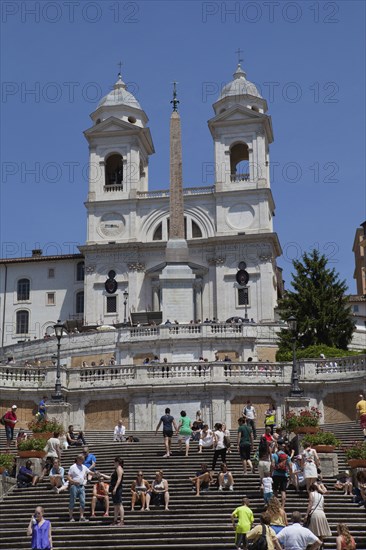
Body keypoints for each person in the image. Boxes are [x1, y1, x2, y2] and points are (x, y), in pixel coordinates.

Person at [67, 454, 95, 522]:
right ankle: (71, 517)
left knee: (83, 502)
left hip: (81, 486)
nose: (82, 460)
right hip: (74, 486)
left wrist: (96, 473)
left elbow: (90, 472)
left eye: (83, 459)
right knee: (72, 501)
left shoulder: (84, 467)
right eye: (81, 459)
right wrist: (73, 481)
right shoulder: (72, 467)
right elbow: (68, 477)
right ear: (77, 459)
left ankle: (81, 517)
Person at [99, 456, 124, 525]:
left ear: (117, 462)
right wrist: (101, 474)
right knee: (116, 505)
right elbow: (109, 478)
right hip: (113, 488)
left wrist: (115, 488)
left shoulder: (119, 468)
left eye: (114, 462)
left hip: (117, 488)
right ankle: (115, 520)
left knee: (119, 504)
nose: (113, 463)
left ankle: (121, 521)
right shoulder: (115, 469)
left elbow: (119, 479)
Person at [271, 440, 292, 508]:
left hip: (276, 474)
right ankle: (282, 506)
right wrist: (290, 475)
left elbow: (272, 465)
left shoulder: (274, 455)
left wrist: (271, 473)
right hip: (284, 475)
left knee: (275, 490)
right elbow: (290, 467)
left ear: (277, 446)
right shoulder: (287, 456)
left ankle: (275, 505)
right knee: (283, 491)